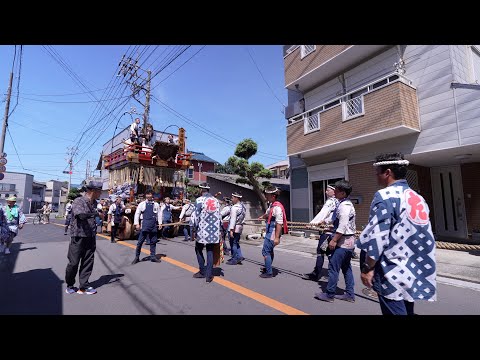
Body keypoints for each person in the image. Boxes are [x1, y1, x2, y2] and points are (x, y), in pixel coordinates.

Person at [356, 153, 437, 315]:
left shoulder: (385, 196)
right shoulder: (418, 198)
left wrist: (368, 267)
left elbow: (378, 237)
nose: (376, 176)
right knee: (407, 309)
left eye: (377, 172)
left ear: (387, 173)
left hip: (391, 269)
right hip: (415, 267)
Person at [315, 180, 356, 303]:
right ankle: (349, 294)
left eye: (336, 191)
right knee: (346, 267)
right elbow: (334, 219)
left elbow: (342, 226)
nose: (334, 193)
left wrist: (333, 240)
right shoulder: (343, 204)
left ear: (343, 193)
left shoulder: (344, 206)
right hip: (349, 241)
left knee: (333, 267)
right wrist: (325, 222)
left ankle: (329, 294)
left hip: (342, 241)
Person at [64, 181, 103, 295]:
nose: (100, 193)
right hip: (78, 235)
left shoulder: (95, 203)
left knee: (88, 261)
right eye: (99, 191)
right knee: (74, 262)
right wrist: (95, 214)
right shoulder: (79, 201)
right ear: (92, 191)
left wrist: (98, 217)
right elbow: (80, 215)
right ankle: (70, 285)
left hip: (90, 236)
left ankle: (84, 285)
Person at [302, 184, 338, 282]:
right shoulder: (338, 202)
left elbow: (323, 213)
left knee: (320, 252)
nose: (326, 192)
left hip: (327, 233)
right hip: (334, 233)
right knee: (330, 253)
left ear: (334, 192)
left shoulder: (330, 201)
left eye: (328, 190)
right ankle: (333, 274)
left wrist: (312, 224)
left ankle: (316, 274)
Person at [191, 182, 221, 283]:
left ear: (201, 190)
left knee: (198, 249)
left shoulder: (199, 200)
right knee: (210, 250)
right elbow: (219, 216)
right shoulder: (216, 201)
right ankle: (209, 275)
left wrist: (193, 229)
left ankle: (202, 271)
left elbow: (195, 216)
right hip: (214, 230)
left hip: (202, 229)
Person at [257, 186, 288, 278]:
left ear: (273, 196)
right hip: (270, 230)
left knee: (265, 251)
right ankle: (268, 267)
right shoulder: (272, 205)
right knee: (269, 250)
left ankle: (269, 272)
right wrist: (262, 217)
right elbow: (268, 214)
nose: (266, 196)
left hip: (273, 232)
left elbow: (279, 223)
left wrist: (277, 237)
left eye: (267, 195)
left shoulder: (277, 207)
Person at [132, 190, 162, 264]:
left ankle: (152, 256)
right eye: (147, 194)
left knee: (153, 242)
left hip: (153, 225)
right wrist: (137, 223)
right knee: (140, 242)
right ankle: (137, 257)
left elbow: (159, 214)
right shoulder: (142, 204)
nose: (149, 196)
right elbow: (137, 214)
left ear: (152, 195)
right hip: (145, 225)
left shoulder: (156, 204)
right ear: (146, 195)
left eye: (150, 194)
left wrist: (160, 223)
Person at [226, 192, 247, 265]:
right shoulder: (243, 207)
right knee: (236, 242)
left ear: (236, 198)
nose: (231, 199)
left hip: (234, 227)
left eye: (232, 198)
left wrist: (231, 230)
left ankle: (234, 258)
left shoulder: (234, 208)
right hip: (240, 226)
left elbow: (233, 220)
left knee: (233, 244)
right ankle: (239, 256)